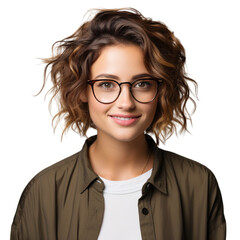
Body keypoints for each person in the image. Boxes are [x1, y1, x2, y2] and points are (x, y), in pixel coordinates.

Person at [10, 8, 226, 240]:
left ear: (160, 90)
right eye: (106, 84)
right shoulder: (44, 191)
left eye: (142, 84)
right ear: (83, 90)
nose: (126, 102)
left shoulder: (198, 185)